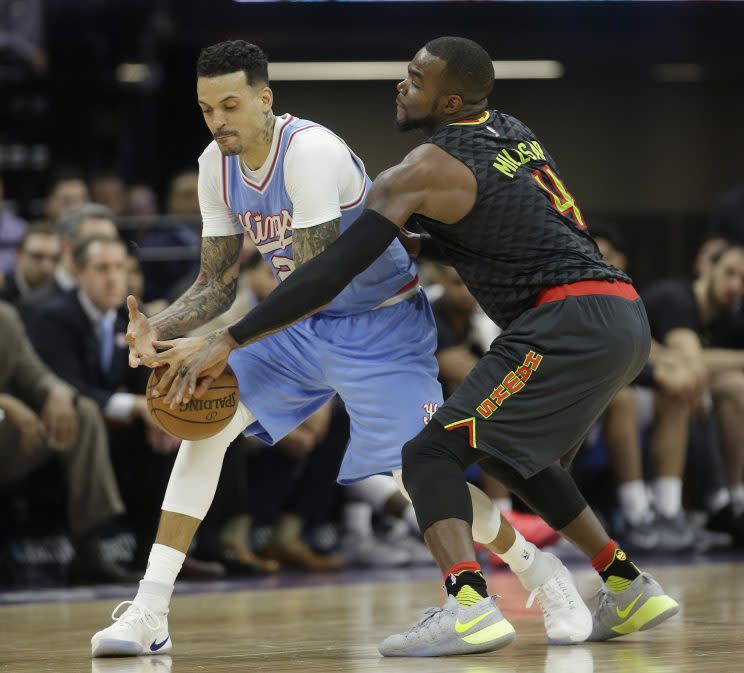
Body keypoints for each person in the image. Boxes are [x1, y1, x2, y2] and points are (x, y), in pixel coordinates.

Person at [149, 37, 681, 657]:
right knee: (509, 457)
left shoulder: (420, 169)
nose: (400, 86)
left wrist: (229, 338)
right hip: (619, 314)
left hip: (562, 322)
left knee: (428, 455)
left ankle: (468, 604)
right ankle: (626, 582)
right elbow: (465, 228)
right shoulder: (510, 132)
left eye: (415, 78)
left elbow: (327, 273)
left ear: (450, 99)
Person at [0, 299, 132, 584]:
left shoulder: (5, 319)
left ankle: (88, 548)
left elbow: (36, 375)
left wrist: (57, 392)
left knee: (82, 412)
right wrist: (6, 403)